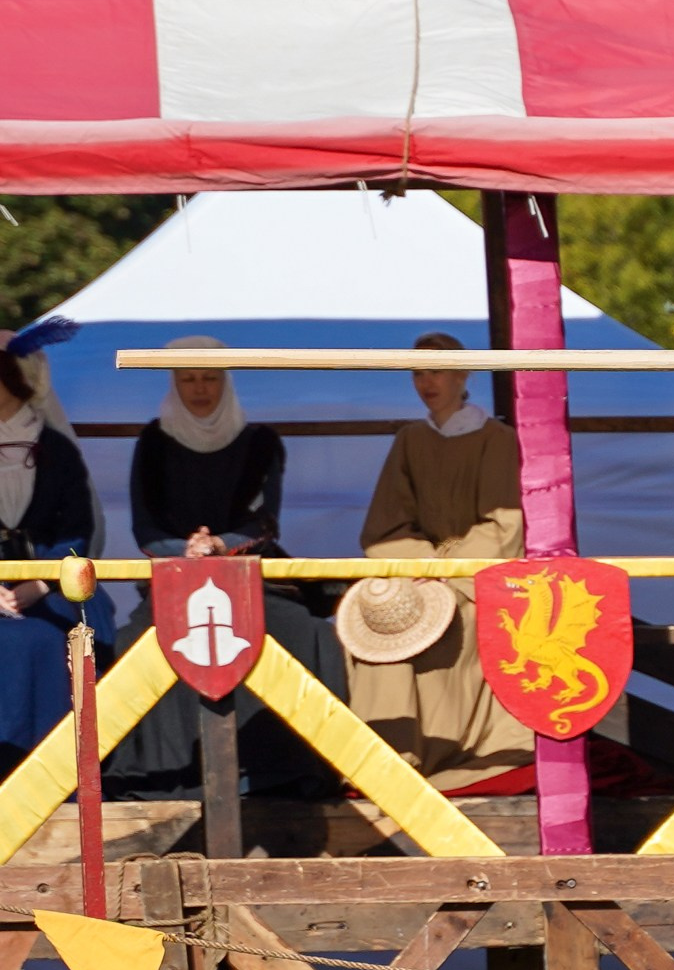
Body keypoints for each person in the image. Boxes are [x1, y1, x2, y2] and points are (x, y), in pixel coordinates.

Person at [106, 336, 349, 799]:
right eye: (189, 378)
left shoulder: (259, 442)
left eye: (210, 378)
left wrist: (220, 545)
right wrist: (187, 550)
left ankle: (287, 770)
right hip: (176, 574)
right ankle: (170, 778)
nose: (200, 389)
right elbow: (144, 524)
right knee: (136, 640)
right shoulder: (154, 442)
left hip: (248, 571)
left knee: (302, 631)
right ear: (175, 383)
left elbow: (263, 519)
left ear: (226, 380)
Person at [341, 332, 534, 788]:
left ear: (463, 375)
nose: (427, 382)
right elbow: (386, 526)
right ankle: (387, 751)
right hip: (417, 574)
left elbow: (504, 526)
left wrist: (447, 572)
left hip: (476, 577)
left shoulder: (497, 439)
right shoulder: (410, 440)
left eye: (438, 371)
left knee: (456, 622)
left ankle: (452, 745)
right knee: (378, 621)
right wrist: (421, 568)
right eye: (419, 373)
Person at [0, 322, 112, 776]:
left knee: (61, 637)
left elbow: (79, 531)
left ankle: (59, 774)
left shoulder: (57, 451)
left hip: (51, 586)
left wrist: (38, 584)